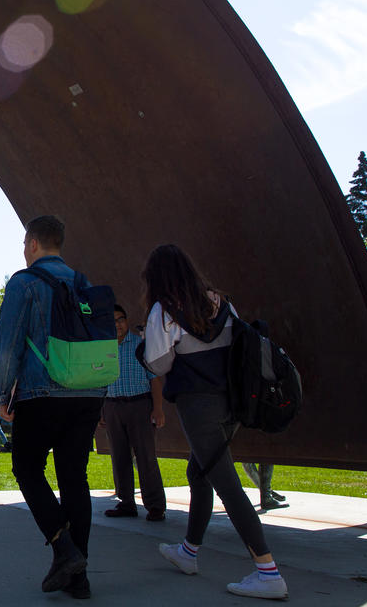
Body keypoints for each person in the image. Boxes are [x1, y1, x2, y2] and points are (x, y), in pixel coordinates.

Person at [142, 244, 287, 600]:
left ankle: (267, 570)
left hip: (197, 405)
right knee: (198, 472)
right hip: (232, 403)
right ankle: (189, 551)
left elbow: (157, 364)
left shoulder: (164, 310)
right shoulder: (220, 302)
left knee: (227, 485)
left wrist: (149, 346)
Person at [0, 215, 106, 599]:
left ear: (31, 244)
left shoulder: (24, 282)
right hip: (88, 392)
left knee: (26, 468)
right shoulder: (83, 283)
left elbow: (9, 343)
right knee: (75, 477)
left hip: (42, 392)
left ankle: (63, 547)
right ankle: (80, 577)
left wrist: (4, 392)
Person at [101, 304, 168, 522]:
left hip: (140, 405)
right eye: (111, 321)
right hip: (112, 406)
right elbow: (98, 382)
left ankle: (155, 505)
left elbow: (155, 379)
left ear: (127, 321)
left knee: (146, 456)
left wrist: (158, 409)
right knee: (119, 457)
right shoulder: (103, 349)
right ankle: (126, 503)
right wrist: (101, 410)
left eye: (120, 319)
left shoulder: (141, 346)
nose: (117, 325)